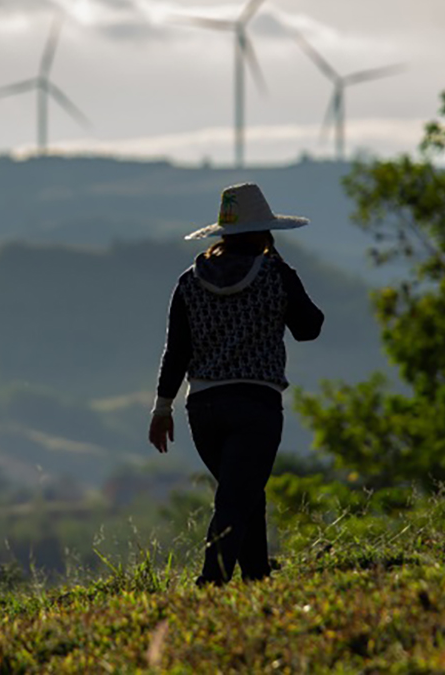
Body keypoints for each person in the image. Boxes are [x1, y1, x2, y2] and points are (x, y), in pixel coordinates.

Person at [149, 182, 323, 586]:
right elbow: (309, 328)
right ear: (265, 232)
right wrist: (278, 261)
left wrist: (162, 409)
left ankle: (257, 579)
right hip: (255, 405)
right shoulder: (275, 274)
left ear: (223, 234)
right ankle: (211, 583)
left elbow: (175, 351)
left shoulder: (189, 281)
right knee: (236, 497)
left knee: (243, 492)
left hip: (203, 408)